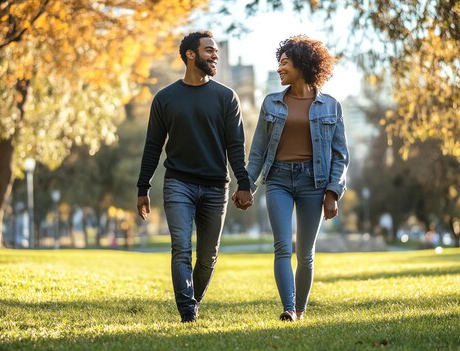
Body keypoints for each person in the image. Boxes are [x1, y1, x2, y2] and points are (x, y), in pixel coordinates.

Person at [136, 31, 253, 323]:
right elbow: (153, 146)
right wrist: (143, 187)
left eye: (216, 51)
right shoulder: (164, 99)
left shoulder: (227, 97)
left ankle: (193, 301)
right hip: (178, 184)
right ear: (191, 54)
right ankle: (187, 312)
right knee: (181, 249)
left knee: (207, 257)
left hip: (216, 187)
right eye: (209, 50)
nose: (215, 55)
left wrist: (244, 183)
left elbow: (235, 146)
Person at [244, 35, 349, 322]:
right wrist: (247, 186)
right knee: (282, 246)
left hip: (313, 183)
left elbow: (340, 156)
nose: (279, 68)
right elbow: (258, 152)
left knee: (305, 253)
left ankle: (300, 311)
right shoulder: (271, 103)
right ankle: (288, 308)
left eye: (285, 63)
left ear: (302, 65)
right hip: (278, 179)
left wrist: (333, 192)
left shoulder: (330, 106)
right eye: (278, 63)